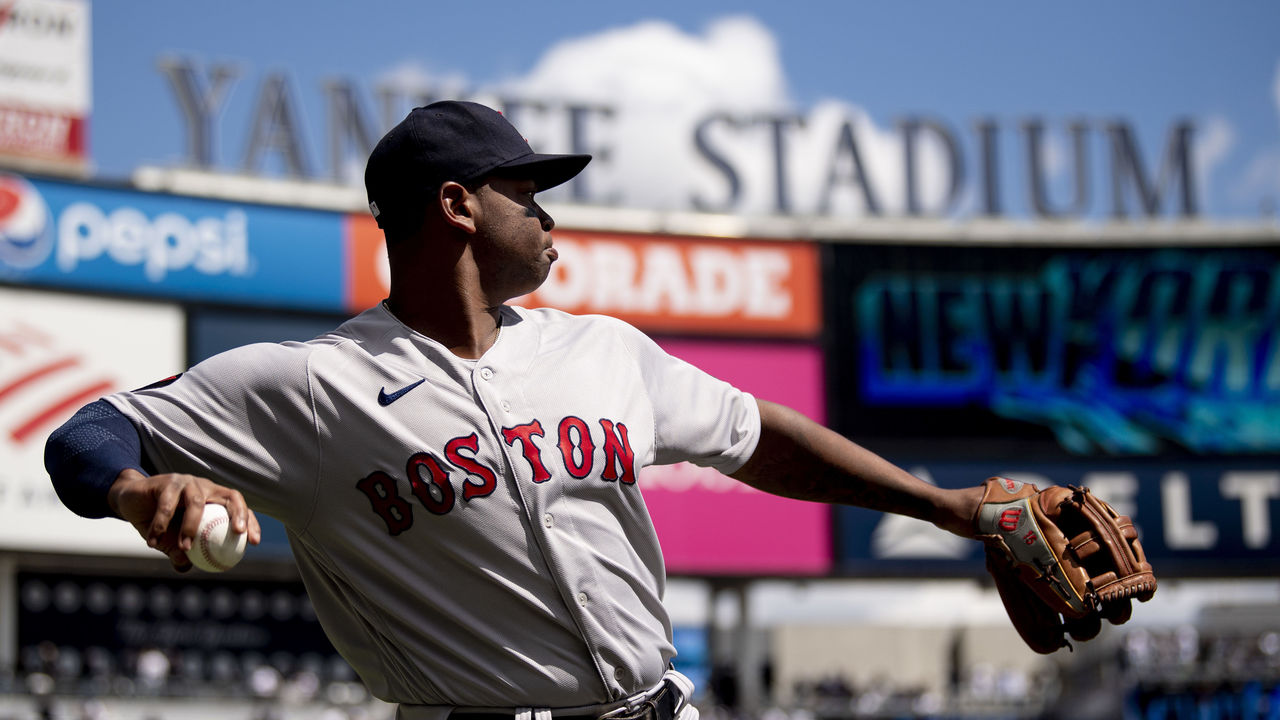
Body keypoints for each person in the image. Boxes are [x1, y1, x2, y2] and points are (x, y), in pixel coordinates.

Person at [45, 101, 984, 720]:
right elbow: (82, 435)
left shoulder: (601, 349)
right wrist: (136, 487)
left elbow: (758, 438)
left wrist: (948, 508)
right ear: (456, 204)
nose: (549, 221)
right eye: (527, 195)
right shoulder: (313, 387)